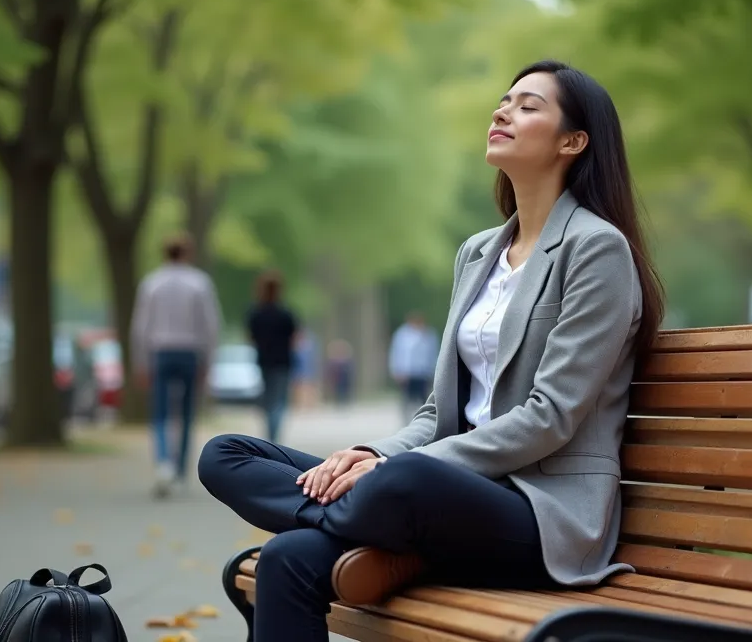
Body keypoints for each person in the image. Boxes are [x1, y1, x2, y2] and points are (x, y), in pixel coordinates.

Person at [197, 60, 665, 641]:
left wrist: (388, 470)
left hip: (539, 511)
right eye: (503, 100)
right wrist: (369, 452)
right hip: (438, 497)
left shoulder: (597, 250)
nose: (502, 111)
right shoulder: (477, 254)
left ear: (573, 141)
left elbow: (550, 417)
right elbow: (435, 414)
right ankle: (372, 513)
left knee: (406, 480)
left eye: (527, 105)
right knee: (233, 465)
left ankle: (377, 509)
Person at [131, 233, 222, 498]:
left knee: (159, 413)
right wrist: (209, 360)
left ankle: (163, 463)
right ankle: (181, 471)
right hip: (189, 352)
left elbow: (140, 327)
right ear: (188, 253)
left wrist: (140, 362)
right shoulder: (199, 283)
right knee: (185, 414)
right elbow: (210, 325)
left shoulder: (151, 283)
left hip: (160, 352)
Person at [246, 269, 300, 443]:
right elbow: (295, 338)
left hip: (264, 361)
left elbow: (251, 337)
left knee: (268, 399)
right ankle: (274, 436)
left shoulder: (255, 313)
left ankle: (270, 434)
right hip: (283, 362)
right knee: (280, 401)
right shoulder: (285, 314)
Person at [387, 312, 439, 424]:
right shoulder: (401, 334)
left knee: (424, 399)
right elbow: (396, 353)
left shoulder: (428, 334)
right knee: (406, 400)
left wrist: (434, 371)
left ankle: (424, 420)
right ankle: (406, 422)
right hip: (407, 373)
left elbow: (433, 354)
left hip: (423, 373)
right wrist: (397, 370)